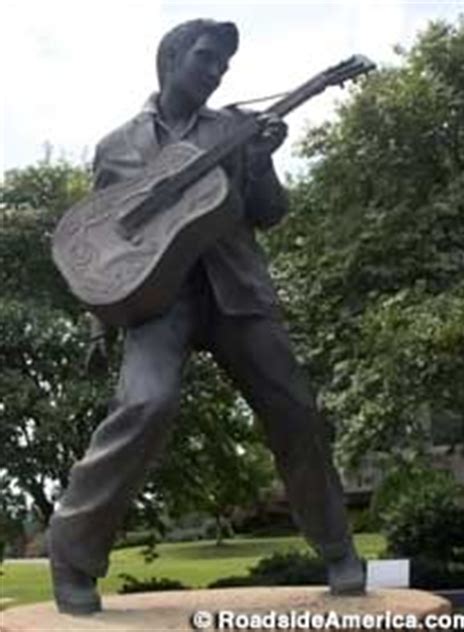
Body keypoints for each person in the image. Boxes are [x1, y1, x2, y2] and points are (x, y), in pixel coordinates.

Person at [48, 18, 365, 615]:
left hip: (237, 292)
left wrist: (265, 161)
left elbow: (270, 213)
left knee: (294, 410)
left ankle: (338, 550)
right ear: (170, 59)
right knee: (145, 405)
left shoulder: (239, 129)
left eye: (224, 63)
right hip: (155, 302)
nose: (217, 71)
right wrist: (98, 321)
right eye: (206, 58)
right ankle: (72, 555)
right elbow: (100, 240)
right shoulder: (117, 146)